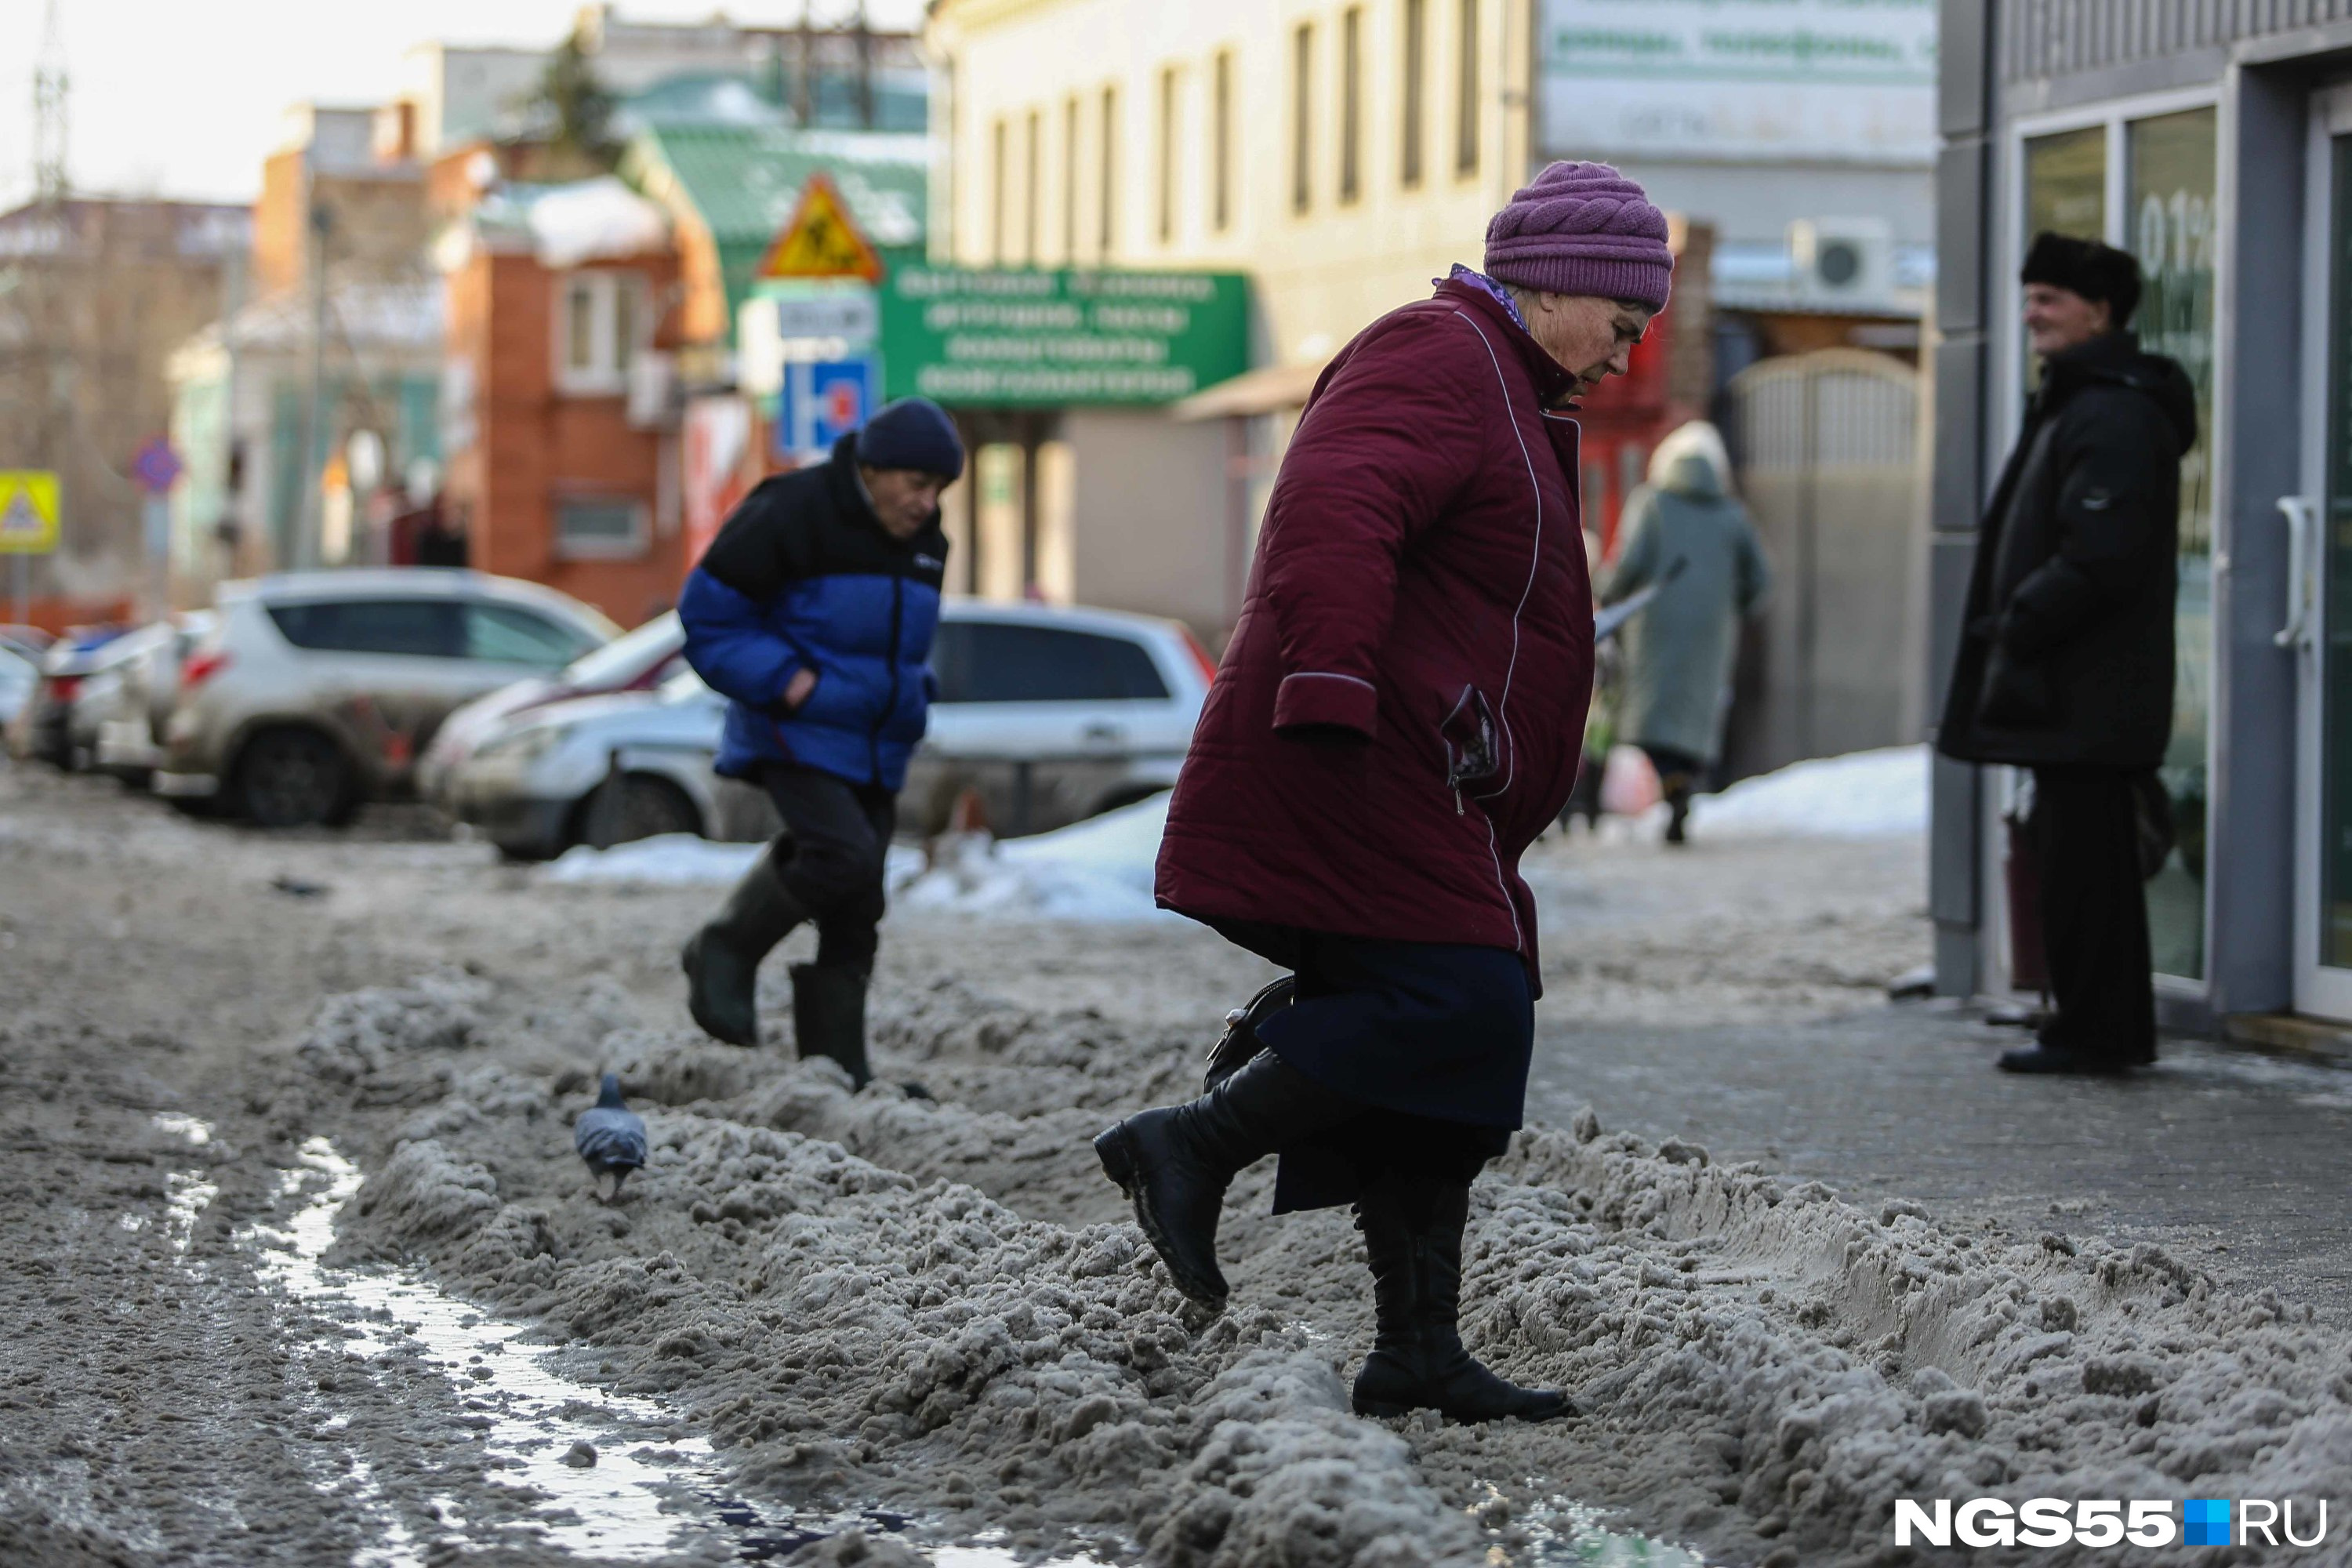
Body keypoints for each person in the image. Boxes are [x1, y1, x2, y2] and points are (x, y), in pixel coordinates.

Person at [1092, 161, 1671, 1422]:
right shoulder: (1438, 352)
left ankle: (1418, 1348)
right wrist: (1331, 680)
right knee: (1458, 998)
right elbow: (1334, 508)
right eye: (1625, 326)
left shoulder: (1502, 384)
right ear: (1565, 286)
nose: (1628, 358)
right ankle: (1188, 1143)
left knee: (1466, 1031)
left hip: (1430, 768)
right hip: (1357, 746)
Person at [1936, 233, 2194, 1076]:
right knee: (2082, 860)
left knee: (2088, 867)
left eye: (2049, 298)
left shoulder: (2111, 409)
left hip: (2086, 690)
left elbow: (2101, 554)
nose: (2030, 312)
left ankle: (2098, 1032)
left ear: (2102, 311)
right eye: (2029, 295)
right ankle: (2097, 1025)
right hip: (2076, 689)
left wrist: (2019, 621)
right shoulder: (2084, 397)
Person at [676, 399, 963, 1086]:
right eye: (915, 485)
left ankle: (835, 1071)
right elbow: (708, 617)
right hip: (793, 725)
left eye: (939, 490)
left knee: (860, 898)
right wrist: (789, 682)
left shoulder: (926, 542)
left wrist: (913, 693)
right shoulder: (793, 508)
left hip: (876, 741)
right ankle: (724, 946)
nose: (928, 504)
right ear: (870, 468)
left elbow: (895, 644)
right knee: (840, 857)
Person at [1600, 421, 1769, 844]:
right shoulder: (1732, 515)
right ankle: (1682, 785)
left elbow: (1629, 563)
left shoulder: (1652, 502)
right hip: (1712, 631)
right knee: (1695, 712)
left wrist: (1606, 597)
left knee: (1654, 711)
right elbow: (1761, 578)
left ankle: (1669, 783)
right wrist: (1738, 608)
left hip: (1654, 625)